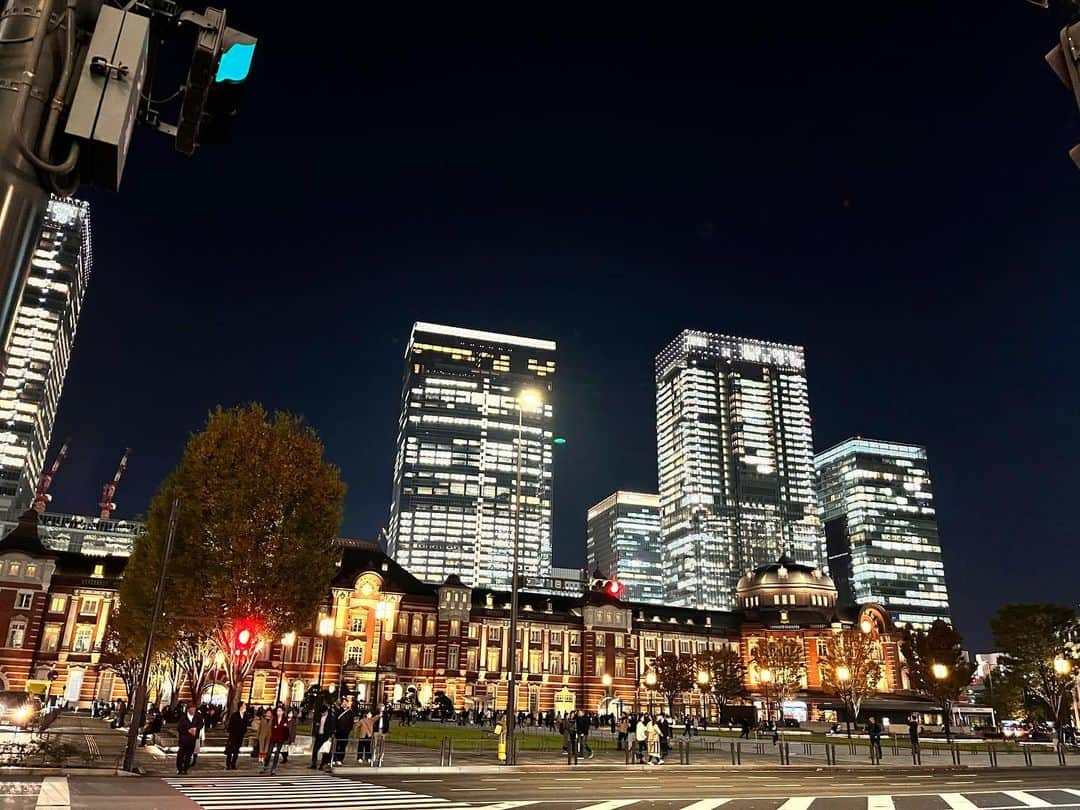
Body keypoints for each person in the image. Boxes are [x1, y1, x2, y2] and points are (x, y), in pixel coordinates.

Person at [261, 706, 290, 775]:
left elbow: (286, 729)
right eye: (278, 711)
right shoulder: (274, 719)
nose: (279, 712)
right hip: (273, 738)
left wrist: (285, 738)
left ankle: (273, 769)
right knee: (269, 752)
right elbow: (272, 728)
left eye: (280, 711)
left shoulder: (285, 719)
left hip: (281, 738)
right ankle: (265, 766)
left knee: (277, 754)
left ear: (283, 712)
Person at [176, 703, 204, 775]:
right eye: (192, 709)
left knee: (189, 755)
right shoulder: (183, 717)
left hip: (192, 739)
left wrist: (196, 729)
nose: (193, 710)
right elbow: (179, 728)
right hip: (184, 739)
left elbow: (201, 724)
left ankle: (185, 769)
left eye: (194, 709)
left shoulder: (198, 717)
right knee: (181, 755)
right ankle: (179, 768)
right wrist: (188, 730)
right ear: (188, 709)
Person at [224, 701, 247, 770]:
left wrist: (243, 732)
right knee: (230, 751)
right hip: (233, 736)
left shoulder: (245, 715)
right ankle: (228, 764)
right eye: (244, 705)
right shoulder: (235, 715)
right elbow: (231, 725)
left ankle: (233, 764)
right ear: (240, 707)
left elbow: (245, 725)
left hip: (240, 736)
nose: (245, 707)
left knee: (236, 751)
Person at [333, 698, 355, 766]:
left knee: (343, 746)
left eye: (346, 702)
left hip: (345, 732)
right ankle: (334, 758)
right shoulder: (338, 711)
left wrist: (349, 730)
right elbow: (335, 721)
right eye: (343, 702)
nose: (344, 704)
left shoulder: (350, 712)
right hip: (338, 731)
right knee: (336, 745)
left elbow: (351, 722)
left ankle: (340, 759)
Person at [310, 704, 333, 770]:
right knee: (315, 750)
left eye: (323, 712)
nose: (322, 714)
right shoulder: (319, 716)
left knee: (324, 751)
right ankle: (314, 764)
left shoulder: (330, 717)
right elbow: (315, 724)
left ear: (326, 711)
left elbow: (331, 727)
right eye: (321, 713)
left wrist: (330, 737)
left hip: (325, 736)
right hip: (319, 735)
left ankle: (322, 764)